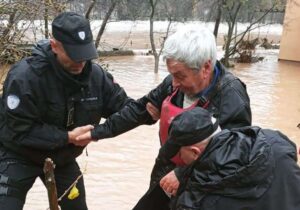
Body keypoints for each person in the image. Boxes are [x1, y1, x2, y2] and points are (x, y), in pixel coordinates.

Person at [75, 26, 252, 209]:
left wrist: (183, 174)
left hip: (203, 183)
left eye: (180, 76)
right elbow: (138, 110)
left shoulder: (232, 96)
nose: (173, 82)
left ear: (206, 67)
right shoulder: (173, 84)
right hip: (165, 169)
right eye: (171, 74)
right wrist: (97, 132)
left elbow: (235, 156)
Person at [0, 12, 132, 210]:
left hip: (62, 157)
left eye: (85, 54)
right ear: (54, 46)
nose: (80, 62)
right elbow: (21, 130)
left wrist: (153, 106)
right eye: (73, 54)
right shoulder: (24, 78)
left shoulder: (96, 77)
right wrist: (68, 137)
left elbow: (127, 109)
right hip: (17, 153)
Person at [158, 107, 300, 210]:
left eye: (179, 153)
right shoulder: (275, 142)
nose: (180, 160)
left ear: (195, 152)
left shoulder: (195, 201)